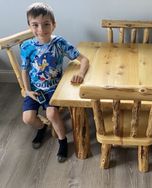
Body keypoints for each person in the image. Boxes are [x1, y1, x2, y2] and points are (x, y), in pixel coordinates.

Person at [20, 2, 89, 163]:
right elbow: (24, 69)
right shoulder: (27, 46)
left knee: (51, 113)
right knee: (28, 118)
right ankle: (42, 127)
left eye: (46, 24)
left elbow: (84, 59)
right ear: (29, 26)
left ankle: (63, 141)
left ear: (54, 25)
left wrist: (80, 73)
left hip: (54, 88)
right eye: (35, 25)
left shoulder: (59, 43)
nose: (41, 30)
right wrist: (27, 90)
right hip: (35, 89)